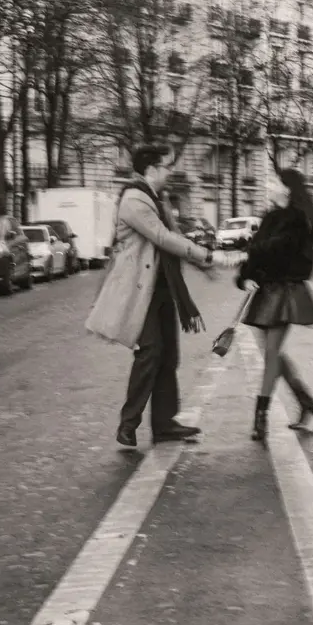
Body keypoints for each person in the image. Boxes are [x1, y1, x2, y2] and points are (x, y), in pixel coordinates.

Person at [115, 143, 215, 449]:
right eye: (166, 167)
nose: (170, 172)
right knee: (150, 352)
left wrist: (200, 265)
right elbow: (162, 237)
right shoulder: (134, 200)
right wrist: (205, 256)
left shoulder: (157, 199)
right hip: (140, 290)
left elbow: (175, 240)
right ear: (151, 169)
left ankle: (165, 424)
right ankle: (128, 423)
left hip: (161, 287)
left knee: (169, 355)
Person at [235, 168, 313, 443]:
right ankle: (306, 402)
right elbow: (257, 254)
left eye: (273, 182)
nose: (268, 185)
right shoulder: (270, 217)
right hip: (267, 291)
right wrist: (245, 276)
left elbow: (276, 250)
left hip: (286, 291)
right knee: (273, 355)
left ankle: (260, 417)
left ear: (286, 188)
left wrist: (251, 249)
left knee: (272, 353)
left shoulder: (298, 220)